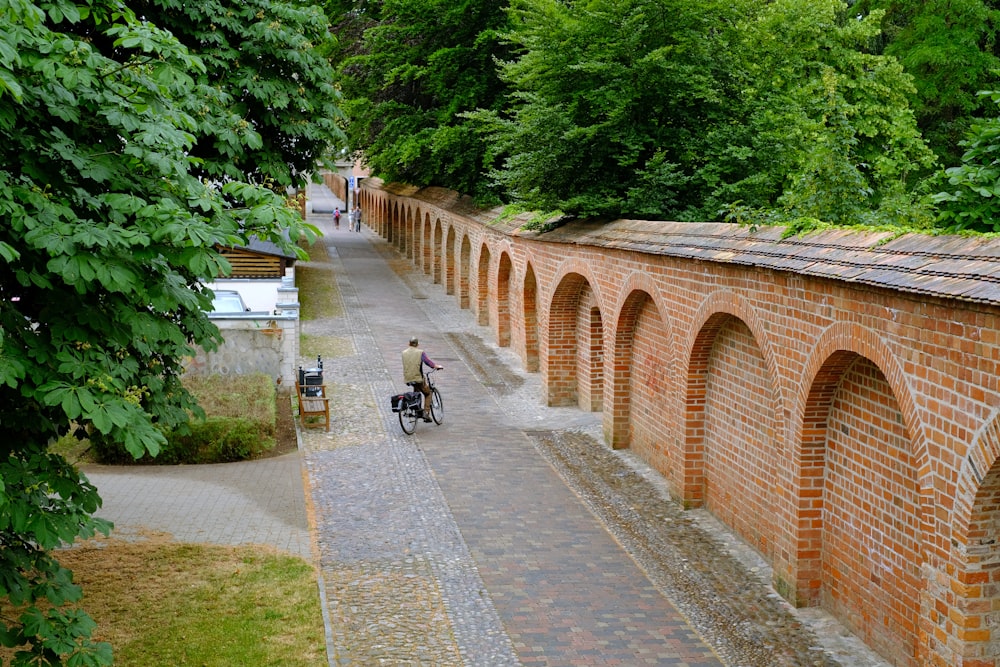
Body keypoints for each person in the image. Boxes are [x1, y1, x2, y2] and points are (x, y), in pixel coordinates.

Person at [401, 337, 443, 422]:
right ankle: (426, 413)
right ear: (418, 345)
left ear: (408, 344)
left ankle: (417, 410)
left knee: (417, 392)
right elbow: (428, 362)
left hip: (408, 378)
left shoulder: (404, 353)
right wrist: (436, 366)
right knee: (428, 393)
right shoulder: (420, 352)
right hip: (417, 378)